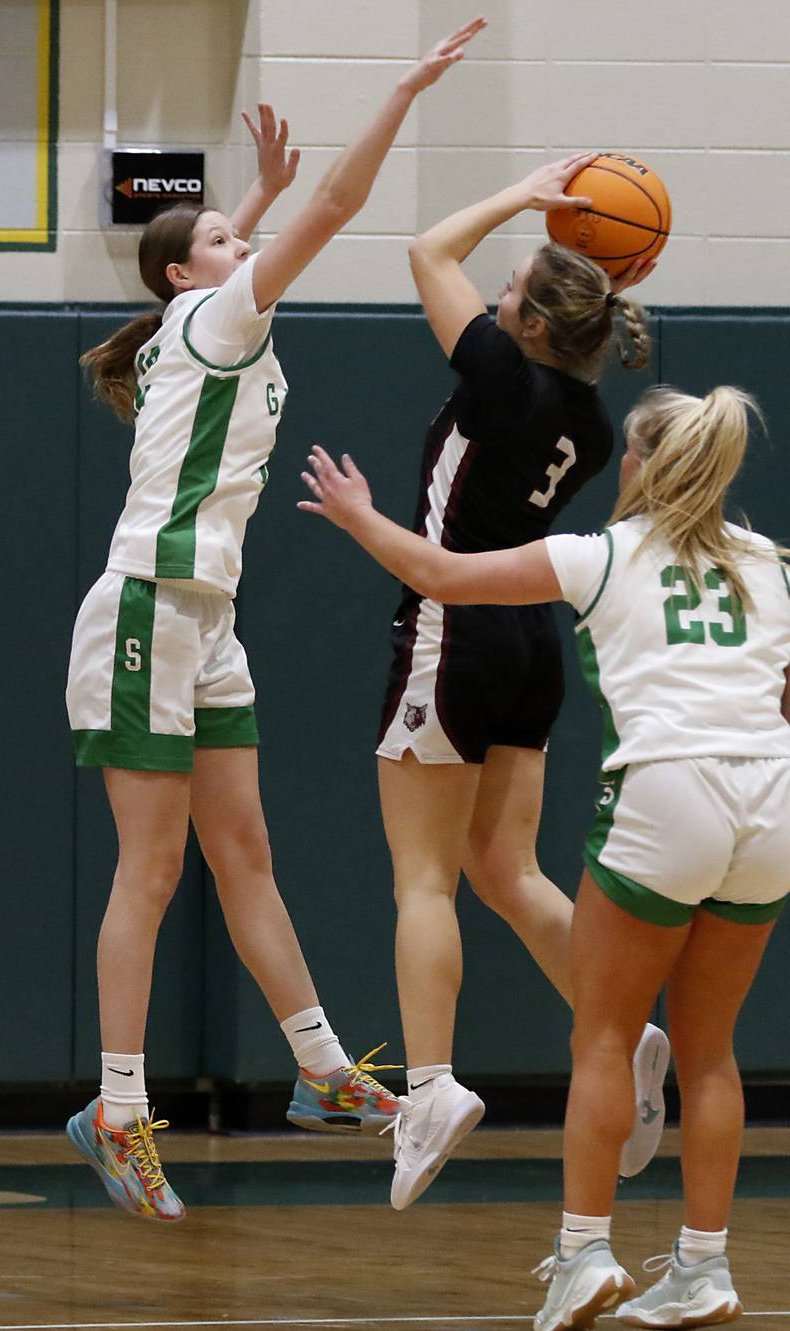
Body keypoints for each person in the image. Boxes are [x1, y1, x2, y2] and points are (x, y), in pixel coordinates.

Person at [64, 16, 487, 1223]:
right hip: (148, 603)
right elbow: (335, 208)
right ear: (188, 276)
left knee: (244, 855)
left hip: (209, 617)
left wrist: (244, 195)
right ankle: (118, 1102)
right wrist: (399, 91)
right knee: (150, 870)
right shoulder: (212, 316)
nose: (244, 239)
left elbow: (212, 251)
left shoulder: (190, 320)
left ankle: (317, 1070)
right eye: (224, 237)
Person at [299, 384, 790, 1326]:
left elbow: (442, 575)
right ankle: (705, 1267)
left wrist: (359, 518)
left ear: (641, 464)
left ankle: (584, 1253)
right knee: (713, 1051)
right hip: (767, 796)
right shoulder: (768, 562)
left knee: (605, 1034)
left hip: (670, 787)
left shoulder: (600, 554)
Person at [306, 155, 660, 1210]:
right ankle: (620, 1023)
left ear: (536, 329)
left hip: (451, 628)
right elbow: (467, 277)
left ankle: (428, 1085)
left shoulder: (503, 376)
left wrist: (521, 193)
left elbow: (425, 250)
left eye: (510, 291)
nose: (494, 295)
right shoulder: (589, 423)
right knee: (507, 871)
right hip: (530, 644)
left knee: (425, 878)